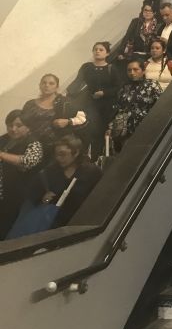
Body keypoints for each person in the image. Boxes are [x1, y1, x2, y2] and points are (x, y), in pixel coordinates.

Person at [28, 135, 102, 229]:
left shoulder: (92, 172)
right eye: (56, 154)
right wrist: (43, 199)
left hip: (85, 223)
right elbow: (33, 197)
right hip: (54, 226)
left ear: (76, 153)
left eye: (62, 154)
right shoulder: (48, 173)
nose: (58, 158)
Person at [73, 42, 122, 159]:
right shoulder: (87, 67)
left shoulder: (112, 68)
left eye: (101, 49)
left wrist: (104, 93)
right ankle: (85, 157)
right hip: (90, 104)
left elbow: (118, 87)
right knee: (88, 130)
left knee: (101, 132)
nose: (97, 51)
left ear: (107, 53)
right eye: (95, 49)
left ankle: (98, 158)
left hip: (106, 106)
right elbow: (77, 82)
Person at [0, 110, 44, 238]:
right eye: (10, 125)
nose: (13, 129)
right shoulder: (3, 139)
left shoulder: (34, 143)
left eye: (19, 125)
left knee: (5, 228)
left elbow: (27, 162)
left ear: (28, 126)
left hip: (15, 195)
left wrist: (2, 155)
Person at [21, 74, 87, 150]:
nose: (47, 85)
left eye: (51, 83)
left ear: (57, 87)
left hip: (56, 147)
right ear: (39, 85)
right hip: (32, 145)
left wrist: (68, 121)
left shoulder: (66, 103)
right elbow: (22, 123)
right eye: (44, 83)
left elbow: (84, 119)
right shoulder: (30, 104)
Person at [108, 60, 162, 150]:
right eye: (129, 70)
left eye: (135, 69)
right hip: (125, 130)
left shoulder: (152, 85)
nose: (132, 73)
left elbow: (160, 106)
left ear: (143, 70)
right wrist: (111, 127)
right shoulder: (124, 87)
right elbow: (118, 108)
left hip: (144, 129)